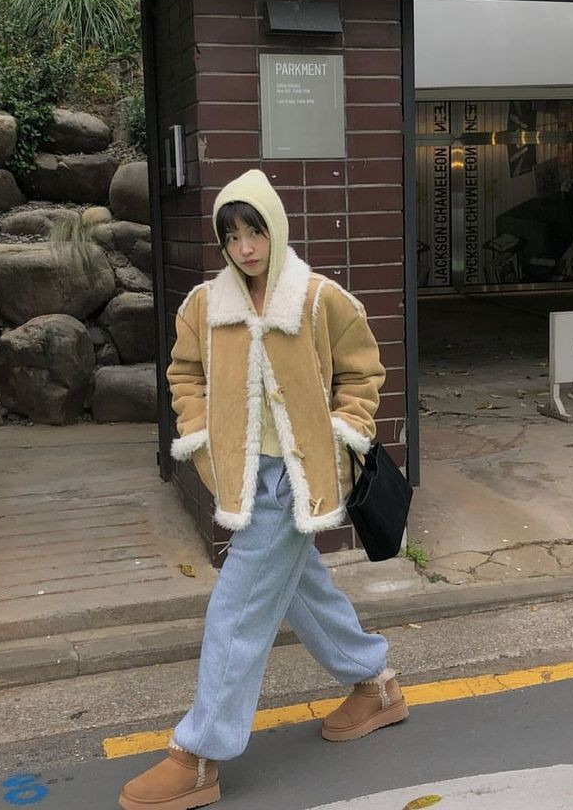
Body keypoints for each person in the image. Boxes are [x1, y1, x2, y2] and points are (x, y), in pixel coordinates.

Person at [119, 169, 408, 810]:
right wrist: (198, 435)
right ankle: (376, 683)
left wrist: (345, 433)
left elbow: (363, 372)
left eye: (255, 231)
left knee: (238, 609)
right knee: (301, 587)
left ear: (276, 228)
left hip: (299, 477)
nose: (245, 248)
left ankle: (200, 754)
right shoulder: (204, 306)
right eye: (232, 236)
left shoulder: (320, 299)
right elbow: (184, 373)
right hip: (243, 475)